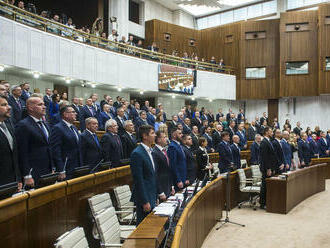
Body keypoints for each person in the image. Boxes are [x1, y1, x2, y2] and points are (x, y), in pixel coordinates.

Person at [15, 96, 52, 187]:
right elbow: (22, 152)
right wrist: (27, 175)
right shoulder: (23, 125)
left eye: (44, 104)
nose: (44, 107)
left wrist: (52, 167)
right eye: (40, 105)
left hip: (47, 170)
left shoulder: (45, 124)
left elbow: (48, 147)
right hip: (33, 172)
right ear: (30, 108)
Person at [130, 125, 157, 225]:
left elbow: (152, 175)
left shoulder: (150, 151)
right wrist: (145, 201)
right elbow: (138, 180)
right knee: (143, 226)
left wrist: (156, 195)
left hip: (152, 194)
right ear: (145, 136)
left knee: (151, 226)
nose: (155, 135)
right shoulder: (137, 153)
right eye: (152, 133)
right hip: (144, 197)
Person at [50, 106, 82, 180]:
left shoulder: (74, 127)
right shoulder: (58, 128)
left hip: (77, 166)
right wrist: (61, 169)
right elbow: (56, 150)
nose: (76, 113)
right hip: (66, 168)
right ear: (65, 114)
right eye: (73, 112)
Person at [0, 95, 22, 191]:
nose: (9, 107)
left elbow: (14, 155)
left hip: (11, 181)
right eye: (4, 105)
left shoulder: (8, 125)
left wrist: (18, 178)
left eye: (8, 104)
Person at [259, 127, 278, 209]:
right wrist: (268, 168)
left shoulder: (268, 141)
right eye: (270, 131)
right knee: (265, 185)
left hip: (270, 167)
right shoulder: (264, 142)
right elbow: (265, 157)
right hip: (266, 168)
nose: (272, 133)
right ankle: (262, 203)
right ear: (266, 132)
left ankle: (267, 201)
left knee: (268, 185)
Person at [152, 131, 173, 202]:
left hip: (167, 186)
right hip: (162, 188)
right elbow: (156, 174)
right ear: (158, 140)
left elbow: (168, 170)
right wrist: (160, 192)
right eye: (164, 137)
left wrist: (171, 186)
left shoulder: (163, 151)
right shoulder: (154, 152)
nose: (166, 139)